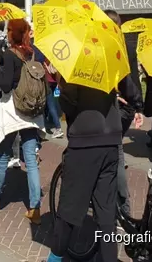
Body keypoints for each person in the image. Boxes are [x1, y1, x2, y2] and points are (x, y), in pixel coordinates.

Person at [48, 64, 123, 262]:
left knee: (69, 210)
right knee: (107, 216)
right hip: (111, 143)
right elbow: (132, 95)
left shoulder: (78, 64)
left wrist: (60, 80)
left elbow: (68, 105)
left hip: (85, 144)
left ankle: (54, 259)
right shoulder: (110, 58)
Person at [0, 19, 44, 225]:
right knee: (31, 161)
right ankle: (35, 208)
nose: (6, 34)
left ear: (12, 34)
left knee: (3, 156)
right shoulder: (32, 53)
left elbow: (6, 86)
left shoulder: (9, 55)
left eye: (8, 31)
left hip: (13, 112)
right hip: (31, 111)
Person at [105, 10, 143, 219]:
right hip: (129, 106)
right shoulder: (128, 44)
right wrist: (137, 107)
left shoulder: (111, 47)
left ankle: (123, 206)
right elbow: (134, 77)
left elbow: (124, 79)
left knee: (115, 153)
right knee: (113, 150)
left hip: (119, 105)